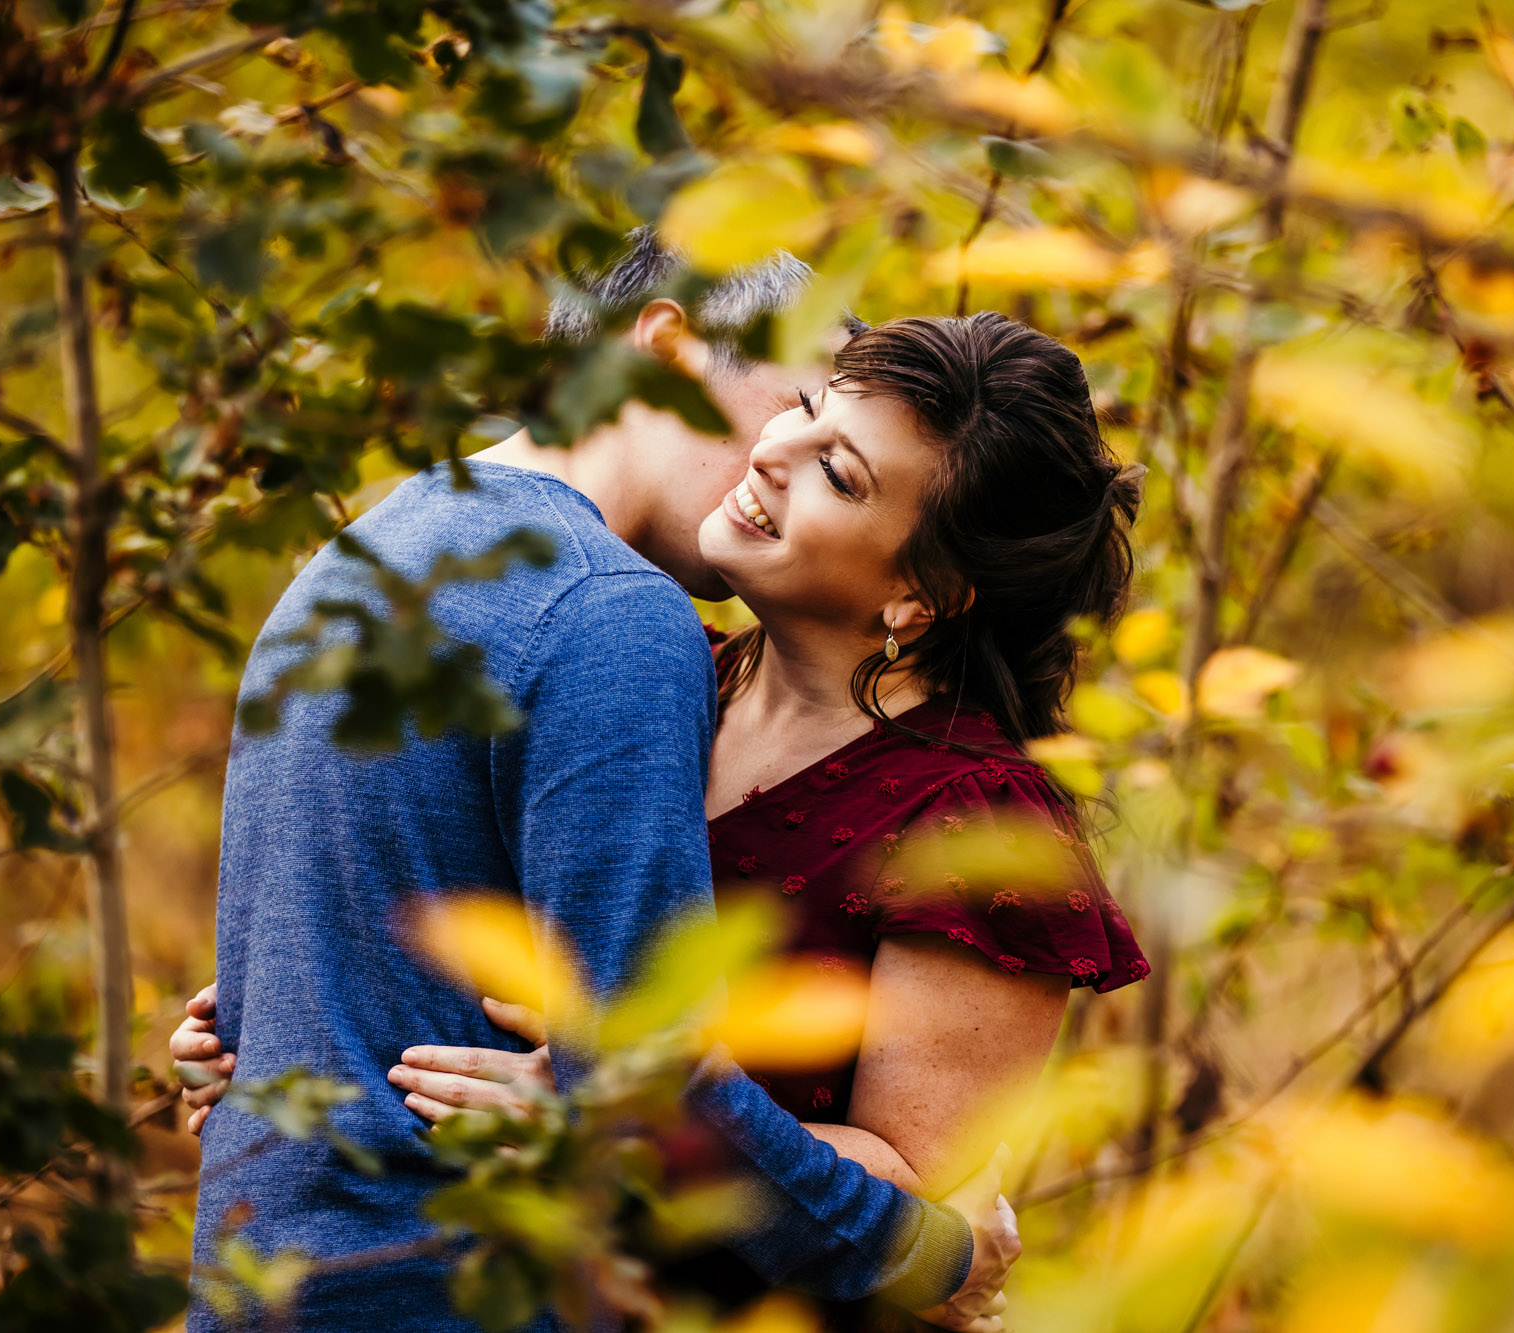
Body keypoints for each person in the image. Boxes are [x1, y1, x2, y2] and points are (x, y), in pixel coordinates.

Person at [178, 301, 1153, 1330]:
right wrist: (283, 1017)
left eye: (839, 472)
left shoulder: (973, 824)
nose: (776, 449)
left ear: (926, 592)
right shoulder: (651, 663)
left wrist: (603, 1120)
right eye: (810, 409)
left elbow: (923, 1183)